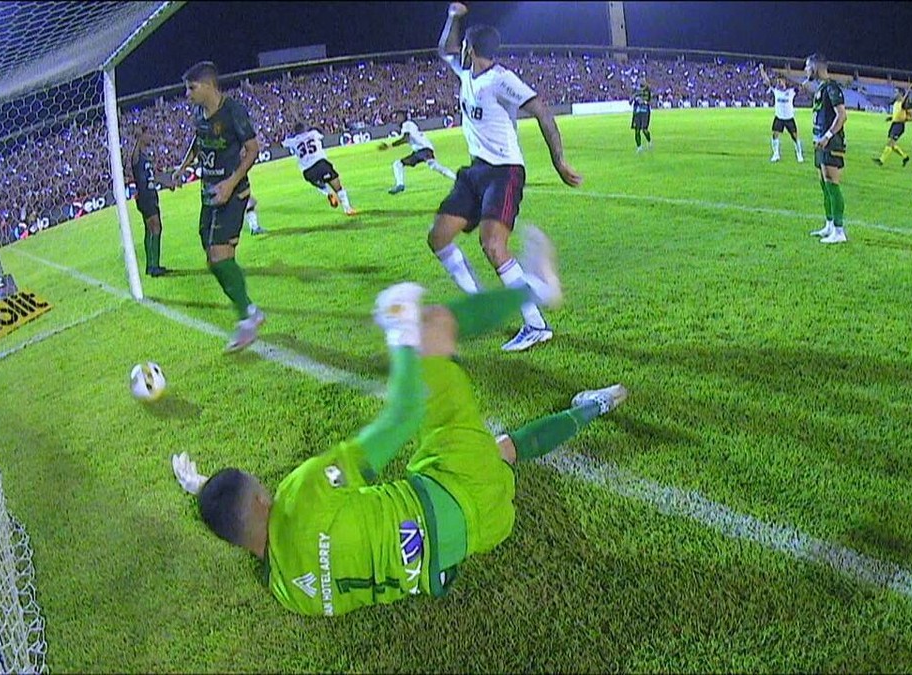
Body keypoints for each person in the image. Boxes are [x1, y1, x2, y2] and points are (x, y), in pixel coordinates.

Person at [170, 226, 630, 617]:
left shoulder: (289, 594)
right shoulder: (300, 495)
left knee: (501, 451)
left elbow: (249, 527)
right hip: (451, 487)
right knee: (433, 325)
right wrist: (399, 332)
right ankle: (537, 289)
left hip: (476, 536)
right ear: (262, 497)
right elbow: (403, 416)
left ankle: (597, 404)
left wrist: (202, 490)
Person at [428, 2, 583, 352]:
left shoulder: (502, 81)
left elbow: (541, 111)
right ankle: (480, 302)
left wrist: (559, 162)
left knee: (493, 246)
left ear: (473, 49)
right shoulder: (466, 73)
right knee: (438, 237)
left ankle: (536, 325)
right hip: (475, 172)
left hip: (504, 171)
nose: (460, 50)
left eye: (464, 45)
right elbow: (444, 49)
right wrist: (453, 18)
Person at [171, 61, 265, 352]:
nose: (187, 94)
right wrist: (182, 167)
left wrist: (231, 183)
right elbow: (199, 143)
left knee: (220, 256)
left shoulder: (232, 110)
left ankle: (247, 319)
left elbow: (253, 149)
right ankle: (248, 310)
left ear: (209, 85)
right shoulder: (199, 114)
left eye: (191, 88)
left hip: (231, 193)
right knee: (213, 261)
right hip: (208, 195)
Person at [803, 52, 848, 244]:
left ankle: (839, 231)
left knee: (832, 184)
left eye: (807, 66)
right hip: (819, 142)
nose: (805, 70)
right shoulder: (822, 88)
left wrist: (828, 136)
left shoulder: (832, 88)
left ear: (816, 67)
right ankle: (829, 224)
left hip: (831, 143)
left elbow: (842, 116)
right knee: (824, 185)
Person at [280, 122, 358, 215]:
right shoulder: (313, 133)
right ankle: (347, 209)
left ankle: (328, 193)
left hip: (308, 171)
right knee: (338, 187)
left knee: (319, 183)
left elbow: (281, 143)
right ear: (305, 128)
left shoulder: (292, 141)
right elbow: (322, 134)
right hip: (321, 164)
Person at [378, 111, 457, 195]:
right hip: (423, 150)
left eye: (397, 117)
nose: (396, 119)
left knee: (398, 164)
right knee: (435, 166)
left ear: (403, 117)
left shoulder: (407, 124)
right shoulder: (409, 125)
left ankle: (400, 185)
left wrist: (389, 146)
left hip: (422, 150)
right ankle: (457, 179)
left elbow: (405, 138)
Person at [129, 128, 173, 277]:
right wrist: (138, 137)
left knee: (151, 229)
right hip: (145, 197)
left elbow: (152, 177)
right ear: (141, 136)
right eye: (148, 134)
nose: (151, 137)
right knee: (155, 227)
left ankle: (152, 265)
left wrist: (168, 183)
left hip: (151, 195)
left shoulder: (146, 157)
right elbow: (132, 160)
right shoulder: (136, 156)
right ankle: (153, 266)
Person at [759, 65, 803, 163]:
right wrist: (762, 70)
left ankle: (799, 154)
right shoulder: (776, 91)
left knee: (795, 137)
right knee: (775, 135)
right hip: (779, 117)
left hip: (789, 118)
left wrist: (790, 73)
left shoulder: (791, 91)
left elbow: (802, 85)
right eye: (778, 81)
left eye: (781, 81)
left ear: (784, 82)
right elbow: (766, 80)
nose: (779, 82)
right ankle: (776, 154)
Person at [873, 87, 911, 167]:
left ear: (901, 94)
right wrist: (891, 117)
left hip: (899, 126)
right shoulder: (896, 103)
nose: (894, 93)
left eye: (896, 92)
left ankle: (881, 160)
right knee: (892, 145)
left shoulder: (903, 103)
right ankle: (905, 157)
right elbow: (898, 114)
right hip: (894, 124)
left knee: (890, 143)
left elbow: (904, 104)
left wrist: (908, 92)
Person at [631, 80, 654, 153]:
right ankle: (639, 147)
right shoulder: (635, 92)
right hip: (637, 112)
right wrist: (634, 98)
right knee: (637, 130)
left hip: (645, 112)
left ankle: (649, 141)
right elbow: (630, 101)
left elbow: (649, 100)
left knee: (644, 130)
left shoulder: (647, 91)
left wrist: (643, 101)